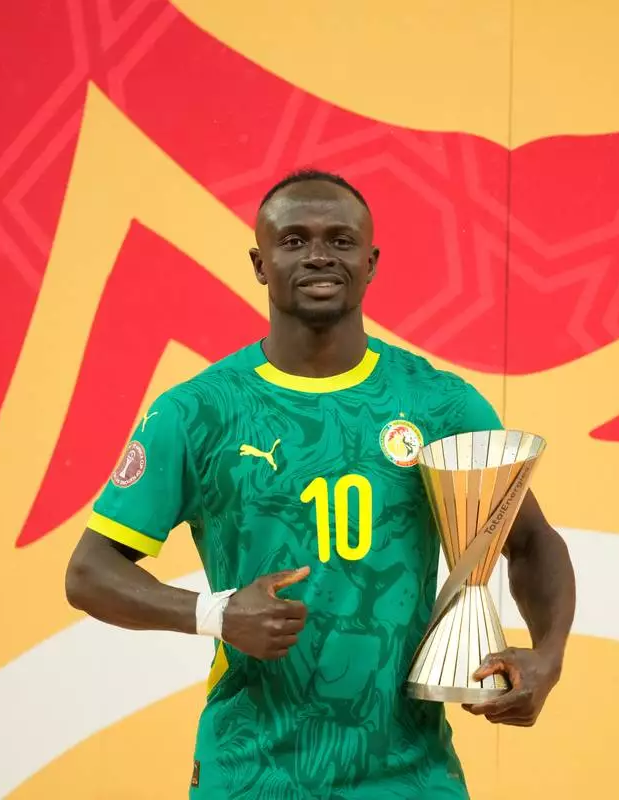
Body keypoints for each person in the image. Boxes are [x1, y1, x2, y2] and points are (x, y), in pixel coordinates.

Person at [64, 169, 577, 799]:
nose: (317, 255)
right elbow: (89, 573)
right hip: (251, 772)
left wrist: (547, 657)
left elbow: (529, 541)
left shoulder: (439, 403)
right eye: (293, 240)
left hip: (409, 774)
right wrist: (216, 614)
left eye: (339, 240)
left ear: (371, 262)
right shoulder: (196, 412)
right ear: (260, 264)